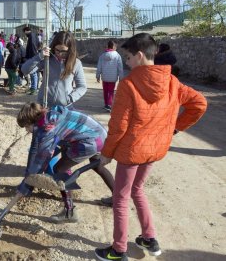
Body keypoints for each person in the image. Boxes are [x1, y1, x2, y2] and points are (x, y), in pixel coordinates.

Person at [94, 33, 207, 261]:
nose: (125, 62)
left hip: (132, 152)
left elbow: (118, 126)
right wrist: (174, 128)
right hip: (155, 150)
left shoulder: (128, 84)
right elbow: (199, 103)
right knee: (137, 190)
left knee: (121, 198)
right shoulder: (172, 82)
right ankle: (149, 237)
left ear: (138, 55)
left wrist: (106, 154)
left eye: (127, 57)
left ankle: (118, 250)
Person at [22, 31, 115, 209]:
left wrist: (69, 99)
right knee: (37, 149)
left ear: (70, 50)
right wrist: (40, 56)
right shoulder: (46, 60)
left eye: (64, 51)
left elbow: (82, 87)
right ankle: (29, 183)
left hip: (65, 114)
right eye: (57, 50)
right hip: (45, 111)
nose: (60, 54)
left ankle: (110, 196)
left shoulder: (76, 63)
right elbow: (25, 70)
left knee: (73, 158)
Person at [16, 103, 110, 223]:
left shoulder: (47, 127)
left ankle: (69, 212)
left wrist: (27, 184)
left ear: (32, 122)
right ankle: (118, 198)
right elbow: (49, 149)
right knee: (97, 166)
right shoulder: (51, 115)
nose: (26, 130)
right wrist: (28, 179)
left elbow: (42, 158)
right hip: (98, 134)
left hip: (90, 141)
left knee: (59, 170)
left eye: (26, 126)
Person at [96, 40, 124, 112]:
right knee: (111, 91)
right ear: (114, 47)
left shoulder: (102, 56)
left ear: (108, 46)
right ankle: (109, 105)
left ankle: (106, 104)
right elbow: (120, 68)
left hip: (105, 77)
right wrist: (121, 78)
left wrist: (98, 75)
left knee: (105, 91)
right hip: (113, 78)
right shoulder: (117, 56)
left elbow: (99, 66)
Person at [23, 26, 41, 95]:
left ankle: (34, 89)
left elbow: (33, 46)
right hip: (34, 56)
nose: (25, 34)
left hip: (32, 57)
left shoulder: (31, 36)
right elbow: (39, 45)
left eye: (24, 32)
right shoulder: (34, 35)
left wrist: (33, 58)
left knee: (33, 73)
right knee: (35, 72)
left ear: (26, 31)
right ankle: (34, 88)